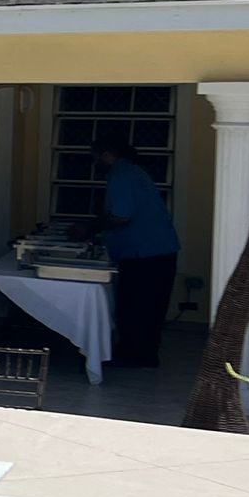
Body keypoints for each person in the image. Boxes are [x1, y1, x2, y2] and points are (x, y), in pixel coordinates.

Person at [85, 137, 179, 369]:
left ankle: (136, 355)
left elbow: (121, 216)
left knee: (136, 307)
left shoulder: (121, 175)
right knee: (148, 308)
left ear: (107, 154)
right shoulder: (131, 171)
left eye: (95, 157)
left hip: (146, 254)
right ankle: (141, 353)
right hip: (156, 251)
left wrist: (90, 227)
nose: (94, 163)